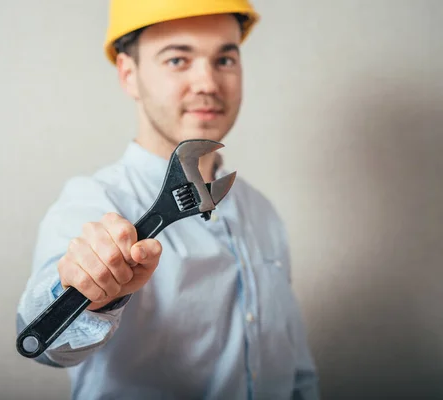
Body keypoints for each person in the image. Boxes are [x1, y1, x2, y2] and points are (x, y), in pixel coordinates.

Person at [16, 0, 319, 398]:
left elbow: (292, 365)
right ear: (129, 74)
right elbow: (48, 344)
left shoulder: (261, 212)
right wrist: (87, 291)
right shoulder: (95, 202)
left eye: (225, 60)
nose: (208, 83)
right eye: (178, 59)